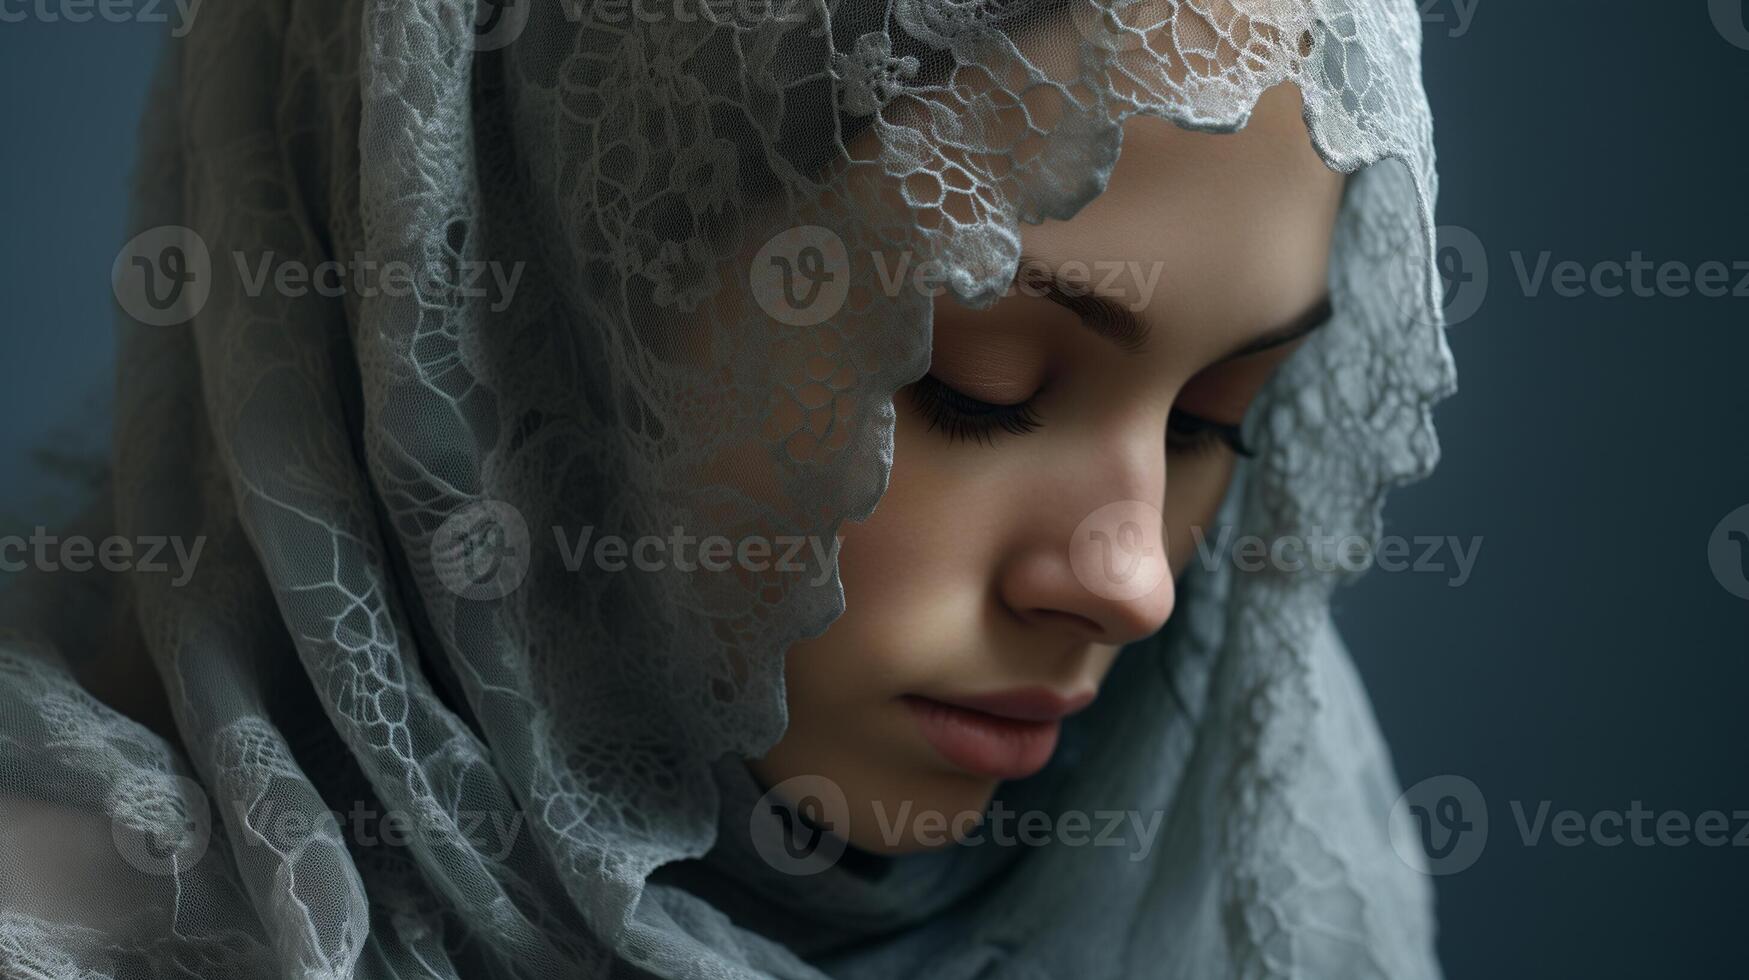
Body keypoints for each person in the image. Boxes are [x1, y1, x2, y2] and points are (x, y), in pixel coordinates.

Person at [0, 1, 1455, 977]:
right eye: (978, 386)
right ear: (525, 322)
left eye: (1218, 419)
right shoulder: (69, 923)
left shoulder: (1245, 878)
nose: (1134, 582)